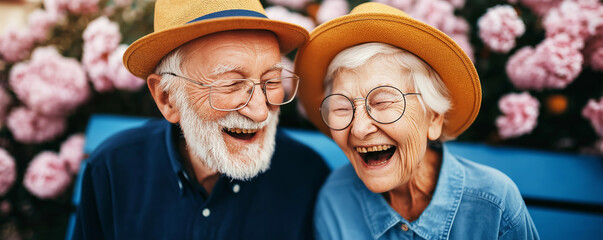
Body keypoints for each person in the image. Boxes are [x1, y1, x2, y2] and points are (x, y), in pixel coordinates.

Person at [73, 0, 330, 239]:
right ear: (167, 98)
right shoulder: (113, 169)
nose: (261, 111)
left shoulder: (307, 176)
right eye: (231, 84)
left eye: (271, 82)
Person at [294, 3, 539, 239]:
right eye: (342, 107)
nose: (359, 128)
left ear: (433, 118)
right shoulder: (336, 200)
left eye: (382, 103)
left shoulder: (493, 203)